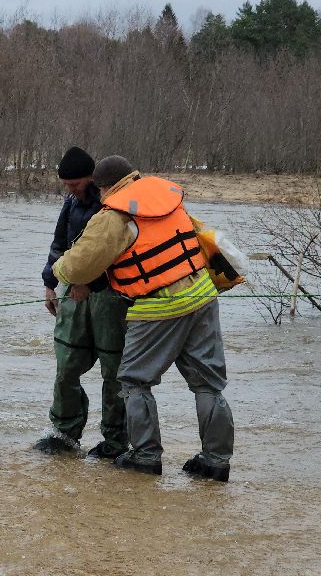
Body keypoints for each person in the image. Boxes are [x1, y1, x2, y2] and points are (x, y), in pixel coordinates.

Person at [52, 156, 234, 480]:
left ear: (103, 187)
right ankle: (216, 461)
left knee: (134, 381)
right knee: (209, 385)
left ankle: (146, 456)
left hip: (158, 306)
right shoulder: (166, 198)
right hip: (203, 296)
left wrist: (59, 272)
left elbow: (78, 265)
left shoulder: (114, 215)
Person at [35, 146, 129, 458]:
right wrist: (50, 284)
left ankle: (115, 442)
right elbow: (58, 243)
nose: (70, 190)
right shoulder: (70, 203)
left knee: (113, 370)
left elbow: (120, 253)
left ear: (91, 178)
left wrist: (90, 283)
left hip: (111, 298)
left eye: (74, 185)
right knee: (66, 365)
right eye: (66, 185)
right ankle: (65, 433)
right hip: (73, 293)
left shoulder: (113, 205)